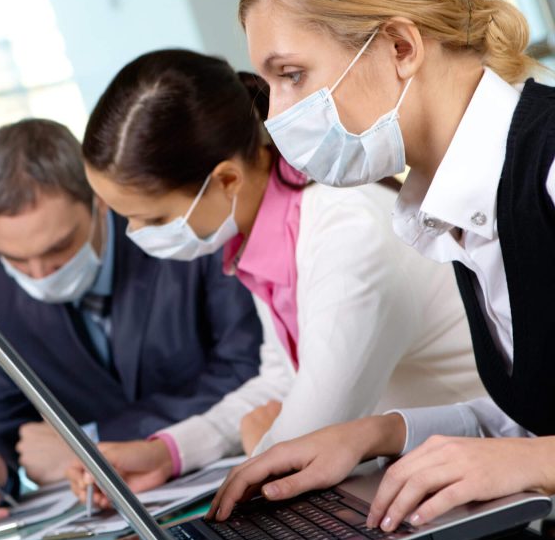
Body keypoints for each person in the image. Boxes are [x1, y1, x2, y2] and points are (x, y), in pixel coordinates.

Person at [209, 0, 555, 534]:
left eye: (293, 75)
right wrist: (374, 433)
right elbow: (537, 420)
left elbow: (534, 451)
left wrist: (534, 459)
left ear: (400, 47)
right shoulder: (455, 202)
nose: (276, 116)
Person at [66, 49, 486, 510]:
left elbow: (297, 455)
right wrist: (167, 452)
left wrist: (259, 441)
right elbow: (280, 381)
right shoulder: (276, 219)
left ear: (226, 180)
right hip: (419, 476)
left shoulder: (346, 234)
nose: (137, 236)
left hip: (484, 483)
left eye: (153, 217)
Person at [0, 119, 263, 525]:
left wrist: (87, 443)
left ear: (99, 199)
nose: (38, 274)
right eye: (14, 259)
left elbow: (248, 368)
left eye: (57, 248)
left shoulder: (180, 234)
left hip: (236, 487)